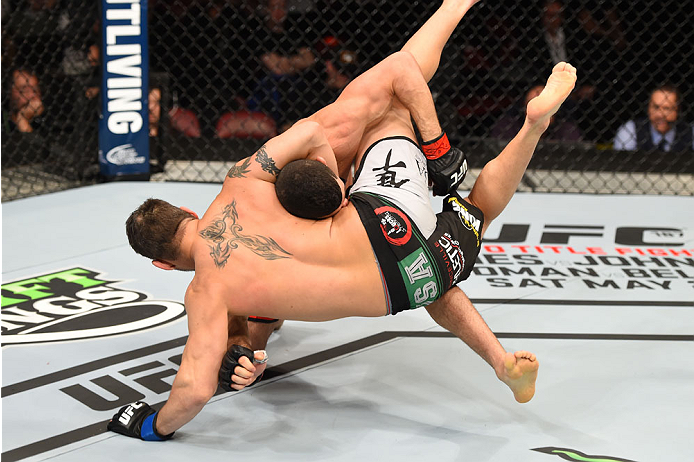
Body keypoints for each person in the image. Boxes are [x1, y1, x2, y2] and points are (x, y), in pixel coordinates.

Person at [109, 0, 577, 441]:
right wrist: (335, 187)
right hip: (387, 217)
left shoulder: (207, 292)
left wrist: (150, 425)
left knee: (479, 210)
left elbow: (192, 391)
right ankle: (511, 92)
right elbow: (312, 130)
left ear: (163, 265)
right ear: (188, 212)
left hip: (412, 283)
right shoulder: (242, 180)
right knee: (392, 105)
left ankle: (532, 130)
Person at [613, 84, 694, 152]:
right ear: (648, 108)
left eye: (666, 108)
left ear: (677, 111)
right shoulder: (631, 130)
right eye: (656, 107)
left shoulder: (690, 132)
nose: (660, 115)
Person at [491, 84, 582, 142]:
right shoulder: (507, 126)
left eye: (545, 105)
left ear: (555, 109)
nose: (539, 112)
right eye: (532, 106)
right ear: (525, 109)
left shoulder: (567, 130)